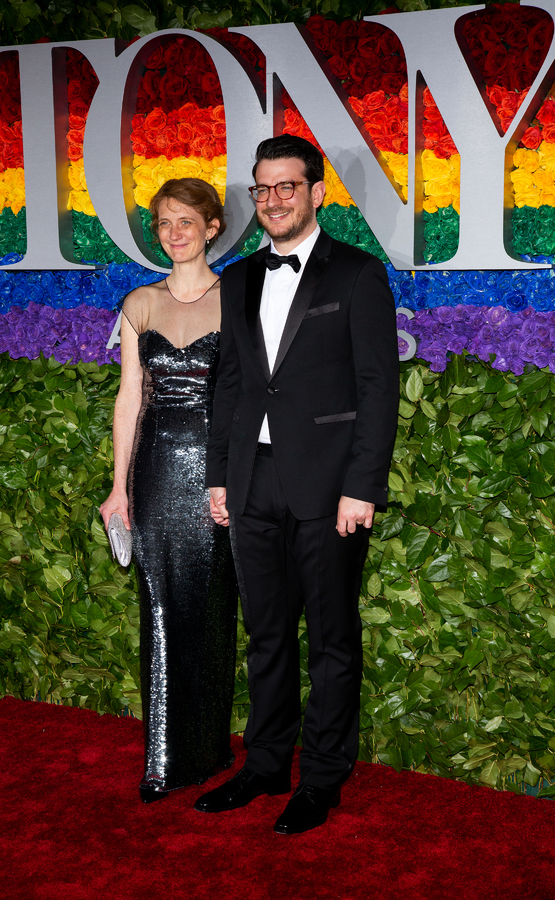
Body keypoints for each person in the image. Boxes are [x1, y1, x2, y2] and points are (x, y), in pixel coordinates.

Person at [194, 135, 400, 834]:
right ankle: (264, 764)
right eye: (263, 188)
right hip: (253, 481)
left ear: (317, 192)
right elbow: (231, 384)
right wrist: (220, 474)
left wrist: (362, 486)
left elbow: (378, 388)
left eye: (288, 186)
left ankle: (321, 778)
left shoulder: (358, 274)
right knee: (267, 634)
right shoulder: (241, 277)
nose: (275, 200)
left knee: (331, 639)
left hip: (331, 486)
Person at [100, 178, 237, 803]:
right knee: (159, 607)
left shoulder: (239, 297)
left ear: (213, 227)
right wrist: (117, 487)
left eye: (187, 221)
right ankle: (163, 758)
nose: (175, 232)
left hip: (220, 471)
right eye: (163, 223)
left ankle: (208, 750)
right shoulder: (139, 303)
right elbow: (130, 400)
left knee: (211, 610)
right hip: (156, 470)